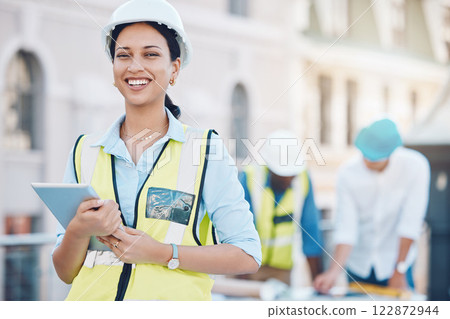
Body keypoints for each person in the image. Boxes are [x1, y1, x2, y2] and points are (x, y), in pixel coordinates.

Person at [52, 0, 261, 301]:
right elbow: (65, 272)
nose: (135, 66)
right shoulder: (85, 150)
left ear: (174, 69)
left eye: (150, 54)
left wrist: (163, 253)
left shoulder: (204, 151)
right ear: (113, 70)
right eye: (123, 55)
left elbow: (247, 254)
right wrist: (77, 230)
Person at [314, 118, 430, 294]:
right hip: (358, 265)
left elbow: (410, 223)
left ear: (391, 153)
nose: (367, 161)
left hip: (398, 263)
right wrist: (333, 272)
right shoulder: (347, 174)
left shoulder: (415, 167)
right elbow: (346, 228)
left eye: (374, 159)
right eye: (364, 155)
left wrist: (398, 270)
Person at [237, 130, 323, 285]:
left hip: (282, 270)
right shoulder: (249, 178)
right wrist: (242, 279)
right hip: (247, 266)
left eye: (292, 175)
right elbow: (239, 232)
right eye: (283, 175)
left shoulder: (303, 179)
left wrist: (317, 281)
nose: (289, 179)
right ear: (269, 168)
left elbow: (311, 231)